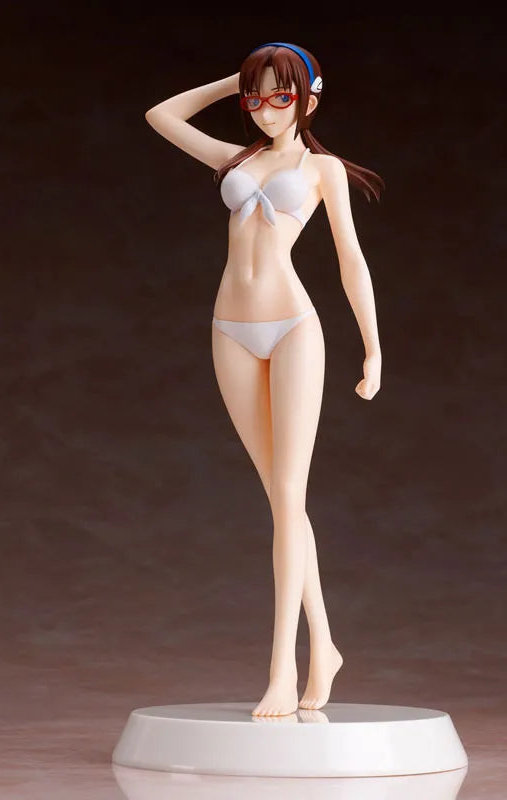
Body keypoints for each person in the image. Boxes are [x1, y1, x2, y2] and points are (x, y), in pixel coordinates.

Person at [145, 42, 383, 716]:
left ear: (310, 97)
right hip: (230, 329)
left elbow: (351, 260)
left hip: (293, 328)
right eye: (256, 98)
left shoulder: (322, 169)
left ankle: (284, 669)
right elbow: (161, 115)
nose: (266, 110)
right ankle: (326, 645)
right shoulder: (236, 159)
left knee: (288, 495)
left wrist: (373, 349)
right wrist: (238, 77)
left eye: (282, 95)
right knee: (281, 501)